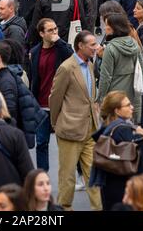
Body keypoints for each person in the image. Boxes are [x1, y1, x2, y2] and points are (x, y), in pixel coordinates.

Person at [49, 31, 102, 211]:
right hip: (70, 129)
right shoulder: (66, 68)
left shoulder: (91, 64)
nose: (96, 48)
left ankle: (99, 208)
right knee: (68, 174)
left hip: (90, 128)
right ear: (80, 46)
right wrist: (56, 123)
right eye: (92, 45)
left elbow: (90, 96)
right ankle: (64, 208)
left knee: (94, 173)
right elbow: (55, 98)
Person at [90, 91, 143, 211]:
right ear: (117, 110)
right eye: (127, 105)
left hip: (109, 184)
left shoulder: (107, 127)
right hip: (123, 186)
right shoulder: (122, 129)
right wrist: (140, 136)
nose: (132, 107)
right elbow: (132, 156)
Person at [30, 18, 73, 171]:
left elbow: (72, 57)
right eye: (50, 30)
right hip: (41, 104)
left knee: (67, 142)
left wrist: (59, 41)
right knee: (41, 142)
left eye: (55, 29)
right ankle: (43, 175)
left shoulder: (61, 48)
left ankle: (78, 173)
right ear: (41, 33)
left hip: (61, 104)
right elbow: (33, 78)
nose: (54, 32)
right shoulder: (35, 52)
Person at [97, 13, 143, 123]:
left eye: (107, 25)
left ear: (114, 27)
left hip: (114, 95)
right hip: (133, 93)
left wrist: (101, 100)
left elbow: (105, 77)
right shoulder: (134, 43)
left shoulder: (110, 48)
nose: (105, 28)